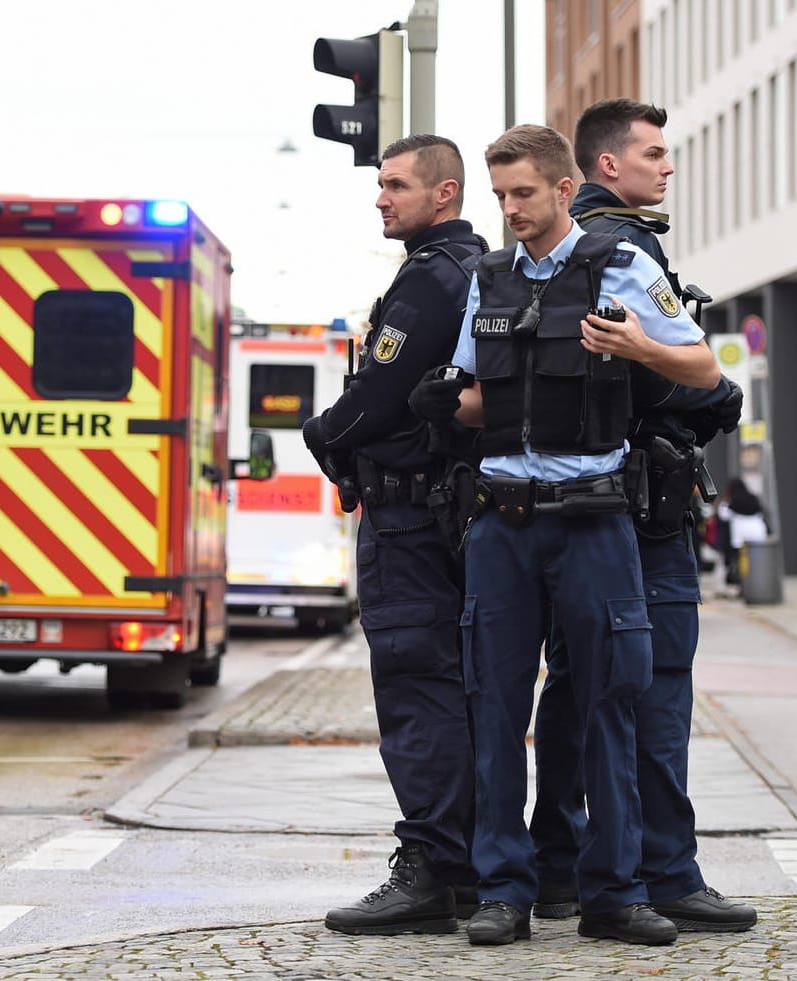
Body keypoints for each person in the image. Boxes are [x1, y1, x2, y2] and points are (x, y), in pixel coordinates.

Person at [409, 123, 721, 948]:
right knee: (496, 705)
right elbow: (482, 398)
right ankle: (504, 892)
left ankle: (613, 892)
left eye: (522, 193)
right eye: (500, 195)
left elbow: (706, 370)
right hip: (503, 523)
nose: (510, 209)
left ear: (560, 188)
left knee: (610, 705)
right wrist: (447, 403)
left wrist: (639, 344)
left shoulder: (621, 264)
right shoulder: (489, 278)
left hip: (595, 520)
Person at [524, 98, 755, 935]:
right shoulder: (624, 246)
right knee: (653, 689)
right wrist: (719, 392)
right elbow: (653, 372)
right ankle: (666, 870)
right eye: (655, 154)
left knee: (578, 689)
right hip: (643, 507)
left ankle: (561, 864)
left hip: (575, 509)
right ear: (607, 166)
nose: (667, 166)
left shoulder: (558, 247)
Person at [304, 135, 486, 936]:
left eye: (396, 185)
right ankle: (472, 863)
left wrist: (321, 435)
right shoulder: (470, 268)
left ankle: (432, 870)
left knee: (418, 689)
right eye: (380, 185)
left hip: (409, 519)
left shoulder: (431, 279)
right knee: (460, 689)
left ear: (443, 193)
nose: (381, 198)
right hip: (447, 512)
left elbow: (376, 395)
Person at [715, 478, 769, 600]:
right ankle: (755, 586)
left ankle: (744, 587)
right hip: (758, 533)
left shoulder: (732, 502)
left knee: (742, 564)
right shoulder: (754, 498)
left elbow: (723, 515)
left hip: (740, 537)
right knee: (756, 564)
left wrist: (723, 503)